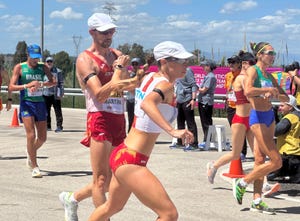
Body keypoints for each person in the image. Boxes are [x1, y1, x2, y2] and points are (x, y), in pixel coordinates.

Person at [87, 40, 194, 221]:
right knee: (169, 214)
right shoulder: (165, 86)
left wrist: (119, 69)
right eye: (181, 61)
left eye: (186, 61)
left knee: (111, 207)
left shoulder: (148, 78)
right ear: (164, 62)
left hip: (123, 153)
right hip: (131, 160)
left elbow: (121, 85)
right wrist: (173, 131)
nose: (186, 65)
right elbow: (147, 103)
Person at [58, 13, 131, 221]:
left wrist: (134, 77)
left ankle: (72, 197)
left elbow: (124, 86)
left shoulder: (117, 53)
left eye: (111, 31)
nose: (109, 35)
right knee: (100, 179)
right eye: (104, 32)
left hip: (118, 116)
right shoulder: (85, 59)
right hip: (99, 116)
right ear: (92, 32)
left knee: (113, 179)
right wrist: (118, 70)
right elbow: (99, 93)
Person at [207, 50, 280, 196]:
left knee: (259, 155)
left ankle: (264, 184)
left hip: (252, 119)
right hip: (240, 120)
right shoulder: (241, 79)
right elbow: (249, 92)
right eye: (251, 64)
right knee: (235, 154)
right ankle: (213, 166)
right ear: (245, 64)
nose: (254, 67)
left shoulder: (253, 78)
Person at [232, 42, 288, 214]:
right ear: (260, 55)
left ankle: (257, 200)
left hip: (269, 116)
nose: (273, 56)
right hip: (257, 117)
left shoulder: (268, 75)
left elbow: (284, 96)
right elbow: (248, 91)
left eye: (274, 53)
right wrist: (266, 89)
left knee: (259, 160)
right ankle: (242, 182)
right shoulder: (253, 71)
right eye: (269, 53)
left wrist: (278, 93)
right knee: (276, 161)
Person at [9, 44, 56, 178]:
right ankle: (34, 166)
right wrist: (27, 85)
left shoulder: (43, 67)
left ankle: (30, 151)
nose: (36, 60)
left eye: (38, 57)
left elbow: (53, 82)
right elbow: (11, 86)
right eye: (33, 57)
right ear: (28, 55)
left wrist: (40, 84)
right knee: (31, 135)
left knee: (42, 138)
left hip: (40, 103)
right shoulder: (20, 67)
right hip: (27, 104)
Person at [268, 95, 300, 183]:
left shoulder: (289, 118)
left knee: (270, 175)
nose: (280, 108)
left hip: (288, 155)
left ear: (290, 107)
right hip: (296, 154)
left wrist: (273, 115)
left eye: (282, 106)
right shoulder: (297, 116)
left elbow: (276, 131)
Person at [225, 55, 248, 160]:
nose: (231, 64)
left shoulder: (242, 76)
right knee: (234, 129)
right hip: (230, 104)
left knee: (241, 130)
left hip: (240, 107)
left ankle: (242, 151)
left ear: (239, 64)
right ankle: (236, 149)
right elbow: (228, 89)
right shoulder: (228, 75)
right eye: (229, 62)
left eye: (233, 62)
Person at [125, 57, 153, 133]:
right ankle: (130, 133)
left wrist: (149, 64)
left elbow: (144, 68)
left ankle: (138, 133)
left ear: (139, 65)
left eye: (136, 64)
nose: (134, 66)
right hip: (130, 99)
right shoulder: (129, 73)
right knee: (131, 118)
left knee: (139, 118)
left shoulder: (142, 74)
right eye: (133, 64)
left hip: (138, 99)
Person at [174, 67, 199, 150]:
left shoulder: (187, 71)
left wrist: (193, 99)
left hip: (187, 99)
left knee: (190, 123)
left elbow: (193, 85)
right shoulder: (176, 70)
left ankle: (194, 144)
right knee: (180, 122)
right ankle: (180, 142)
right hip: (179, 99)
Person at [197, 59, 217, 148]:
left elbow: (204, 89)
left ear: (209, 66)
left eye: (205, 66)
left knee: (206, 121)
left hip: (206, 101)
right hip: (203, 100)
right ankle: (207, 139)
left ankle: (207, 140)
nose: (203, 68)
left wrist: (195, 87)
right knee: (204, 120)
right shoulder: (208, 76)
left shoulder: (210, 77)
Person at [43, 56, 64, 132]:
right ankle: (47, 126)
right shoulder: (43, 71)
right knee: (46, 111)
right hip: (45, 94)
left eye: (50, 62)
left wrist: (61, 93)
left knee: (58, 111)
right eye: (48, 62)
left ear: (53, 63)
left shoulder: (58, 71)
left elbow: (61, 83)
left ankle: (59, 126)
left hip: (55, 94)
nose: (49, 63)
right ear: (45, 63)